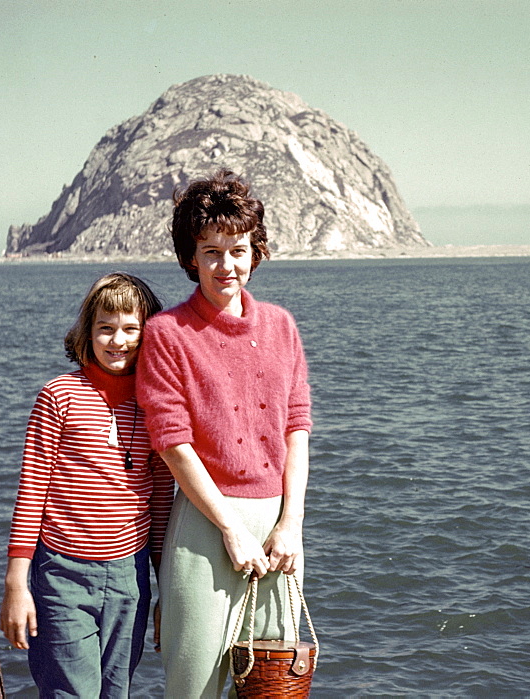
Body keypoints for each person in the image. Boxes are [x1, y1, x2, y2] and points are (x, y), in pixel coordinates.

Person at [136, 170, 313, 697]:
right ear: (190, 257)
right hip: (203, 526)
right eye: (209, 251)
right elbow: (171, 443)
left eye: (236, 249)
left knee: (271, 683)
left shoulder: (281, 326)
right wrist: (231, 529)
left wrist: (291, 524)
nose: (224, 265)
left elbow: (296, 430)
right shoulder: (166, 334)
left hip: (278, 527)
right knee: (195, 684)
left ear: (254, 252)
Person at [0, 272, 173, 698]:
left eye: (131, 329)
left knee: (117, 691)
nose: (118, 341)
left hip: (129, 578)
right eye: (106, 328)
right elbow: (32, 490)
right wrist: (15, 585)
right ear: (87, 331)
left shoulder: (158, 406)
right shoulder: (59, 396)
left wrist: (165, 591)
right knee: (71, 693)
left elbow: (162, 506)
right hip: (62, 574)